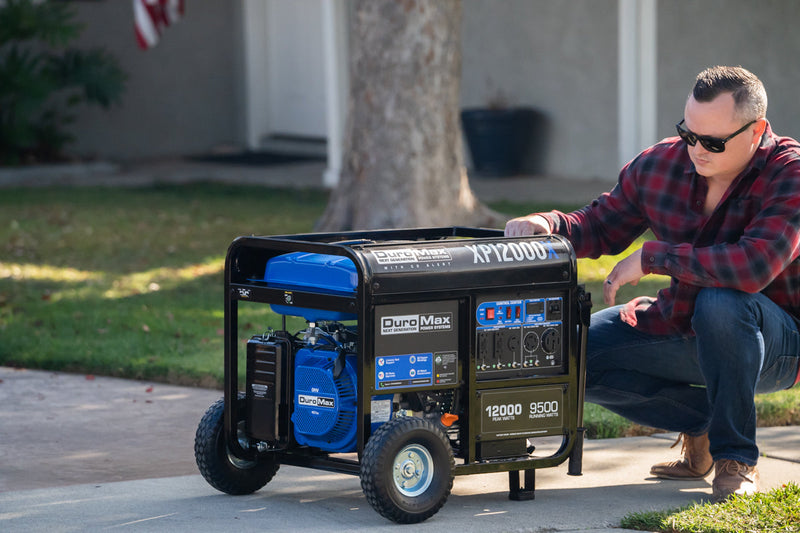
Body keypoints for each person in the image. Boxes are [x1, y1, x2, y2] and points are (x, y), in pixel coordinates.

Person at [505, 65, 800, 502]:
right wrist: (546, 223)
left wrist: (653, 257)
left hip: (774, 341)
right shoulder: (661, 163)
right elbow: (600, 224)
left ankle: (735, 458)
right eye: (689, 134)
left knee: (723, 302)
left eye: (714, 142)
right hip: (682, 324)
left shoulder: (789, 174)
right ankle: (702, 420)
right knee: (572, 353)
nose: (697, 150)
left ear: (756, 131)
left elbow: (753, 268)